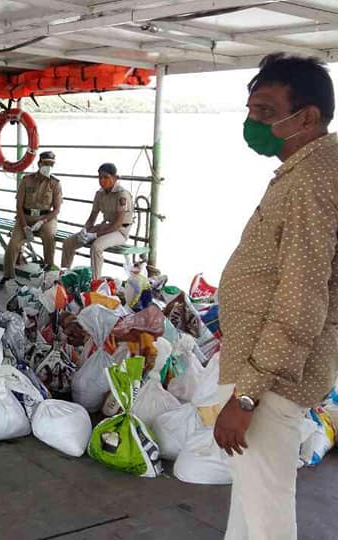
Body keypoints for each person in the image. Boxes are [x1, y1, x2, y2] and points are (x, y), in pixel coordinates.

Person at [214, 54, 338, 540]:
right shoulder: (311, 170)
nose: (252, 123)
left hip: (268, 382)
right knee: (249, 502)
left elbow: (302, 297)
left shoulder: (311, 180)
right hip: (267, 373)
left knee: (267, 513)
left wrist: (246, 397)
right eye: (250, 111)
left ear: (306, 117)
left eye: (265, 112)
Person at [0, 151, 62, 290]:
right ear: (39, 163)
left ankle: (49, 274)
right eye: (45, 163)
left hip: (45, 218)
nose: (48, 166)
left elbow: (56, 209)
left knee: (50, 237)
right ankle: (8, 275)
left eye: (51, 164)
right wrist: (25, 226)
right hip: (25, 217)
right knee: (13, 244)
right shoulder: (27, 180)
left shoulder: (55, 184)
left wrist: (42, 222)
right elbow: (19, 205)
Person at [59, 162, 133, 278]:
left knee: (96, 247)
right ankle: (64, 275)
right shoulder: (100, 194)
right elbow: (93, 216)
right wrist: (85, 230)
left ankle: (95, 282)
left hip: (120, 231)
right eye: (100, 177)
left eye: (106, 177)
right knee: (69, 242)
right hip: (105, 227)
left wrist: (94, 235)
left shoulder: (122, 195)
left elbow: (118, 224)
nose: (102, 181)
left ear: (114, 177)